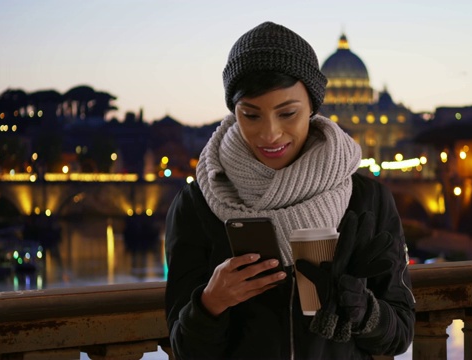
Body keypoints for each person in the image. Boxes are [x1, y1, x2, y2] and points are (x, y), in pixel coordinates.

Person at [165, 21, 415, 359]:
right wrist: (212, 302)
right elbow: (184, 349)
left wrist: (364, 311)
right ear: (233, 112)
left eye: (287, 113)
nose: (270, 134)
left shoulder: (367, 200)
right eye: (251, 115)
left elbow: (400, 333)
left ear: (313, 107)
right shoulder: (196, 205)